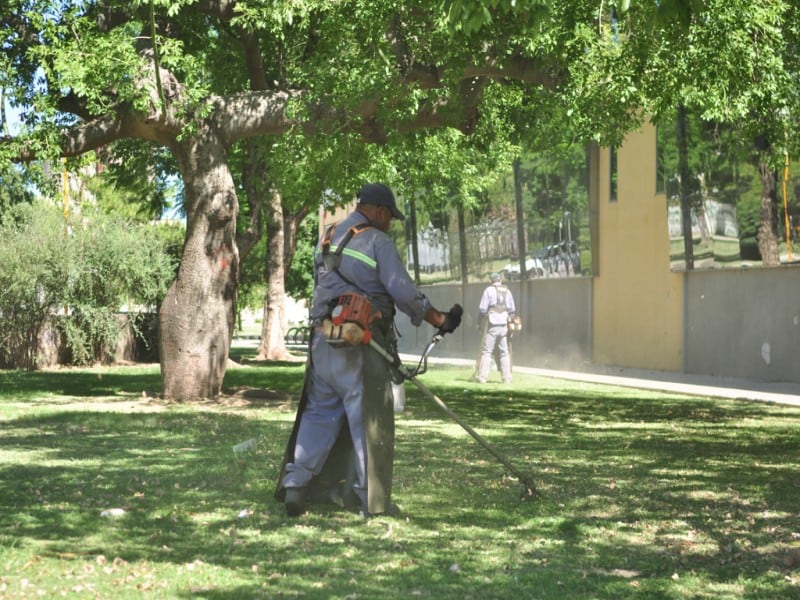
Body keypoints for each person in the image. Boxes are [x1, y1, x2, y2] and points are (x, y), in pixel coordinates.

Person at [275, 182, 462, 518]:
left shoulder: (327, 237)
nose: (389, 223)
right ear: (377, 210)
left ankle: (295, 487)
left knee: (319, 413)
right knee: (368, 421)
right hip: (360, 345)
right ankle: (372, 501)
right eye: (389, 216)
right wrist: (438, 318)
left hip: (323, 340)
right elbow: (403, 293)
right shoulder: (377, 241)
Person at [475, 272, 516, 384]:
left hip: (492, 324)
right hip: (504, 324)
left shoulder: (488, 290)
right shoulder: (507, 291)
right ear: (500, 280)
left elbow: (483, 310)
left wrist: (478, 323)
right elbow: (512, 310)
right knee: (504, 352)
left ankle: (482, 377)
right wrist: (511, 324)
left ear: (491, 281)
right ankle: (506, 378)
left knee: (487, 351)